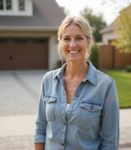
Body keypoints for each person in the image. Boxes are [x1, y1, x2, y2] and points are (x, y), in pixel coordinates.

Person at [33, 16, 119, 150]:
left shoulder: (105, 85)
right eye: (66, 38)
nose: (72, 45)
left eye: (79, 38)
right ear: (60, 42)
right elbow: (40, 129)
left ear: (88, 42)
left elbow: (110, 141)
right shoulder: (48, 80)